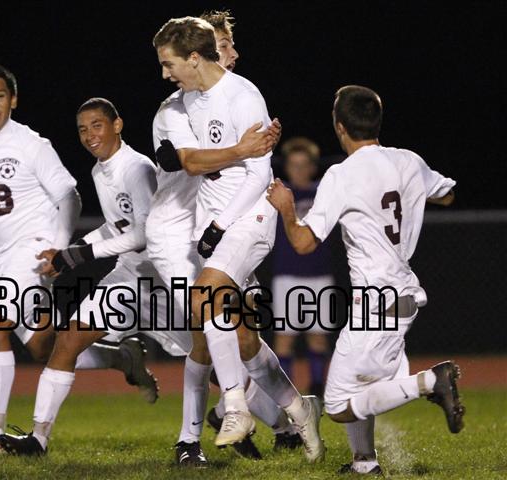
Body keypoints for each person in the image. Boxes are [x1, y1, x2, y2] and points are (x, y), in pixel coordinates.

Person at [0, 66, 155, 455]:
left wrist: (57, 248)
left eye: (0, 95)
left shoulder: (31, 144)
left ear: (13, 100)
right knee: (45, 347)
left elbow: (69, 196)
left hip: (31, 251)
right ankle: (122, 358)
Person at [267, 85, 464, 475]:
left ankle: (431, 381)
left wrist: (287, 209)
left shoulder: (342, 175)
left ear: (339, 126)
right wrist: (410, 193)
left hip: (375, 303)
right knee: (359, 386)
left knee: (338, 406)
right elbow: (448, 195)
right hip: (401, 296)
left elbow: (303, 242)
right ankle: (364, 463)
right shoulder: (407, 160)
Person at [153, 17, 325, 463]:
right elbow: (190, 160)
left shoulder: (244, 95)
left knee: (204, 295)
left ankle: (234, 409)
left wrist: (220, 224)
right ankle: (298, 409)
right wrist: (239, 150)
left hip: (248, 218)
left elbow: (257, 175)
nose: (165, 74)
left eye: (169, 64)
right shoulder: (181, 104)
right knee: (243, 339)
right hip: (210, 224)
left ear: (193, 57)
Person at [0, 98, 193, 456]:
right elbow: (117, 227)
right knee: (69, 339)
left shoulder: (136, 168)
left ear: (117, 125)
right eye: (82, 129)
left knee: (212, 362)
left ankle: (283, 423)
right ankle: (38, 439)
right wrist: (70, 251)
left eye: (97, 125)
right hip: (129, 277)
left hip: (164, 281)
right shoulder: (100, 170)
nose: (89, 135)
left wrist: (76, 255)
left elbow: (143, 234)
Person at [272, 137, 334, 398]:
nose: (299, 170)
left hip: (319, 274)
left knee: (318, 336)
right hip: (287, 275)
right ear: (286, 167)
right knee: (284, 338)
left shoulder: (324, 193)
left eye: (304, 164)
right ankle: (286, 393)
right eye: (293, 165)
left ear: (313, 167)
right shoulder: (279, 195)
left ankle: (317, 388)